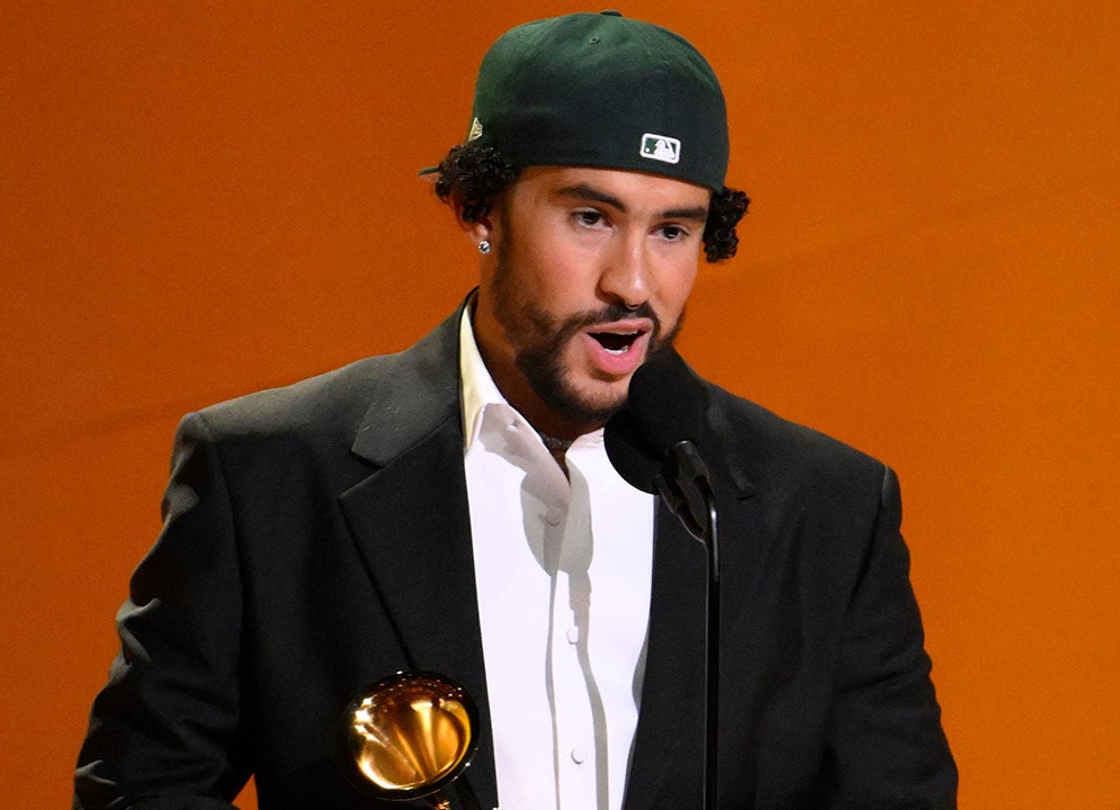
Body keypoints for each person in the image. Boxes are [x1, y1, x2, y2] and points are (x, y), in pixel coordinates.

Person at [75, 11, 957, 810]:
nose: (633, 283)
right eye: (590, 217)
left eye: (672, 230)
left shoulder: (827, 511)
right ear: (479, 208)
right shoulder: (267, 475)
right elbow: (138, 793)